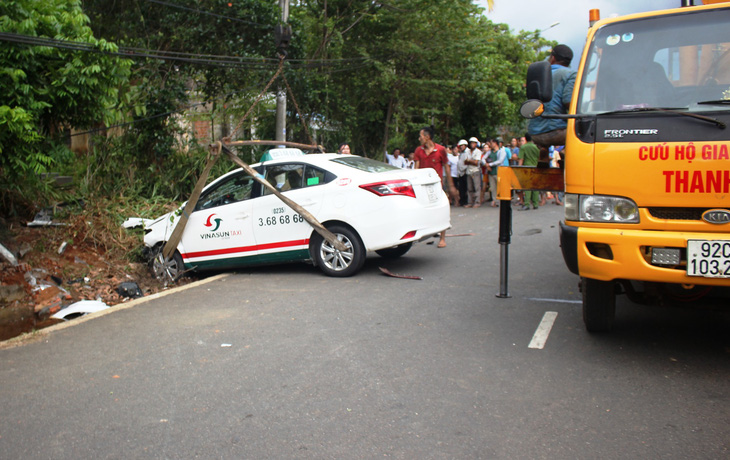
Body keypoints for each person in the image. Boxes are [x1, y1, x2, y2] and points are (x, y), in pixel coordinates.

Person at [527, 44, 577, 165]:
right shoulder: (571, 74)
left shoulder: (539, 74)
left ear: (553, 58)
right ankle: (566, 150)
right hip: (558, 134)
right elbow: (568, 102)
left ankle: (543, 151)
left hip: (535, 133)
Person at [414, 126, 457, 248]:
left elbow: (447, 168)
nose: (419, 138)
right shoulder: (419, 150)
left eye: (421, 136)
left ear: (427, 137)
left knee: (441, 211)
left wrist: (451, 186)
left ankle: (442, 238)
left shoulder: (441, 150)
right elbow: (416, 169)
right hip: (422, 187)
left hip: (438, 186)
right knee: (423, 211)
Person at [518, 133, 540, 210]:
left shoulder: (523, 147)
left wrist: (519, 169)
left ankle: (527, 204)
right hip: (535, 168)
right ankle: (535, 204)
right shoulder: (536, 147)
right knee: (535, 186)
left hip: (527, 168)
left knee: (527, 187)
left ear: (526, 139)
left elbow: (521, 159)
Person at [485, 139, 506, 207]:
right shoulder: (489, 152)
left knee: (500, 187)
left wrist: (490, 164)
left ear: (495, 143)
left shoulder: (501, 151)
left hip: (499, 171)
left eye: (491, 143)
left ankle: (501, 201)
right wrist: (486, 164)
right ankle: (495, 201)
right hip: (491, 172)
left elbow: (500, 161)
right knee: (493, 188)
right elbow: (483, 158)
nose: (490, 144)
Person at [463, 137, 482, 208]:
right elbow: (465, 162)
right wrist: (471, 161)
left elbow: (476, 163)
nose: (472, 144)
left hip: (475, 171)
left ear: (476, 144)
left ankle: (477, 202)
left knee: (477, 187)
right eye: (471, 143)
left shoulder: (478, 152)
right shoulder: (467, 152)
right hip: (469, 171)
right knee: (469, 188)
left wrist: (469, 161)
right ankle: (470, 202)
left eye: (473, 143)